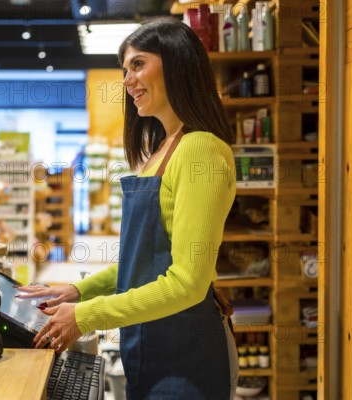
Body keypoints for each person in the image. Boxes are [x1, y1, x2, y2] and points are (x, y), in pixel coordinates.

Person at [17, 17, 239, 399]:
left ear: (177, 62)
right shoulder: (162, 151)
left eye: (138, 64)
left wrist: (86, 316)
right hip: (150, 343)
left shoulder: (200, 149)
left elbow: (187, 283)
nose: (127, 79)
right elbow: (144, 262)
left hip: (186, 359)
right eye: (125, 69)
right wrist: (75, 290)